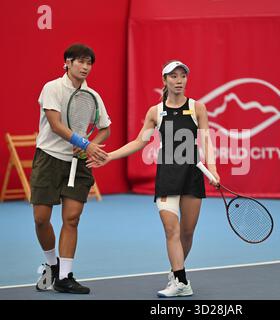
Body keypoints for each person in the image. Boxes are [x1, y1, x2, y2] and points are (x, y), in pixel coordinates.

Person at [87, 60, 220, 297]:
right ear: (165, 80)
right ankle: (181, 281)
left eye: (182, 76)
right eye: (173, 76)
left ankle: (175, 272)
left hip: (192, 176)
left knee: (187, 232)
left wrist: (213, 169)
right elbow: (140, 142)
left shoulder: (197, 108)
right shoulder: (155, 112)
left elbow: (207, 141)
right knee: (172, 230)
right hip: (168, 176)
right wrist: (110, 156)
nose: (179, 81)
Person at [32, 43, 111, 294]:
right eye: (80, 61)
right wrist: (85, 143)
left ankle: (65, 276)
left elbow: (105, 128)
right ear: (67, 62)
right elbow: (55, 125)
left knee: (72, 219)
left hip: (78, 164)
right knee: (41, 219)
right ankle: (52, 264)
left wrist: (90, 145)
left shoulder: (93, 96)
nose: (85, 67)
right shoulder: (52, 88)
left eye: (89, 63)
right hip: (49, 158)